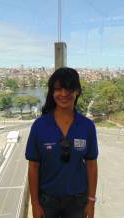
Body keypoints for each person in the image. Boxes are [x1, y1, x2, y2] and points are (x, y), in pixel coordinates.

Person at [25, 67, 98, 218]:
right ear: (52, 93)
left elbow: (91, 164)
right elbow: (33, 166)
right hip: (47, 201)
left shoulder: (87, 126)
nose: (64, 94)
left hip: (78, 201)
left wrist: (91, 202)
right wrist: (35, 204)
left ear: (77, 91)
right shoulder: (39, 126)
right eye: (58, 89)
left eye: (69, 89)